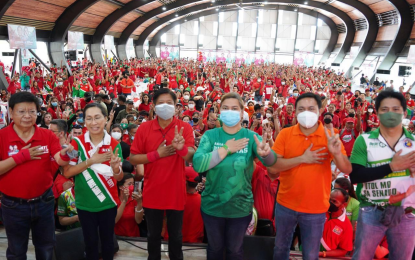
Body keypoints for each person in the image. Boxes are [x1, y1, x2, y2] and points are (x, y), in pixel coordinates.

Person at [193, 92, 277, 260]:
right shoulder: (211, 136)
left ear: (241, 113)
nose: (229, 111)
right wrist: (225, 149)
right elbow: (198, 164)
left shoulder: (250, 137)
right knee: (215, 250)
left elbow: (271, 163)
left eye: (234, 108)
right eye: (225, 108)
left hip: (240, 208)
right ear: (219, 111)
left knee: (235, 251)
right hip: (212, 206)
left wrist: (266, 154)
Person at [270, 93, 352, 260]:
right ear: (294, 112)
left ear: (320, 110)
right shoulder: (285, 134)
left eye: (311, 109)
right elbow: (273, 168)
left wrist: (336, 153)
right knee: (280, 248)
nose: (306, 112)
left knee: (310, 253)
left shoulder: (330, 135)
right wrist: (302, 159)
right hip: (286, 204)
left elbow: (346, 168)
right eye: (301, 109)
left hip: (316, 208)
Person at [0, 92, 73, 259]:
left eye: (32, 111)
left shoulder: (46, 135)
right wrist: (20, 157)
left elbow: (59, 159)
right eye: (21, 111)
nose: (27, 116)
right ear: (11, 112)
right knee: (16, 250)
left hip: (44, 202)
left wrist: (66, 154)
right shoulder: (2, 136)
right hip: (13, 205)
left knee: (46, 247)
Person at [129, 88, 195, 260]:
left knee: (175, 236)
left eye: (169, 103)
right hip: (153, 191)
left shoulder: (184, 128)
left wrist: (181, 149)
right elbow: (134, 158)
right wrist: (157, 154)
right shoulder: (144, 129)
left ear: (176, 106)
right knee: (153, 235)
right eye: (160, 103)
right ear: (153, 106)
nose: (165, 106)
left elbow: (191, 156)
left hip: (176, 191)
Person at [350, 90, 415, 260]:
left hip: (406, 214)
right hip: (371, 210)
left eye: (395, 108)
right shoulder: (364, 140)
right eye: (385, 109)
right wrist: (392, 166)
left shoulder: (414, 143)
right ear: (377, 112)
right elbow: (355, 176)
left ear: (404, 111)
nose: (390, 113)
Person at [63, 103, 124, 260]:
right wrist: (91, 161)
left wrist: (116, 168)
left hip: (108, 202)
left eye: (97, 117)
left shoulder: (115, 144)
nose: (93, 122)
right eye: (89, 118)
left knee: (107, 244)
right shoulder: (76, 144)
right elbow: (67, 172)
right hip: (84, 203)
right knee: (90, 243)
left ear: (105, 119)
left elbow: (119, 178)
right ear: (84, 121)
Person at [319, 188, 353, 258]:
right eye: (329, 199)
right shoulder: (320, 211)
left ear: (344, 205)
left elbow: (344, 250)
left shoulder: (347, 225)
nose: (330, 203)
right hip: (303, 252)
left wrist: (323, 254)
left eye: (334, 201)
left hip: (327, 258)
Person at [114, 161, 144, 237]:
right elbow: (114, 220)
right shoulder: (114, 199)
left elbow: (138, 221)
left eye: (133, 184)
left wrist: (139, 203)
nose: (132, 186)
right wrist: (124, 201)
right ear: (120, 186)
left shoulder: (134, 198)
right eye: (129, 184)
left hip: (134, 238)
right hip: (118, 237)